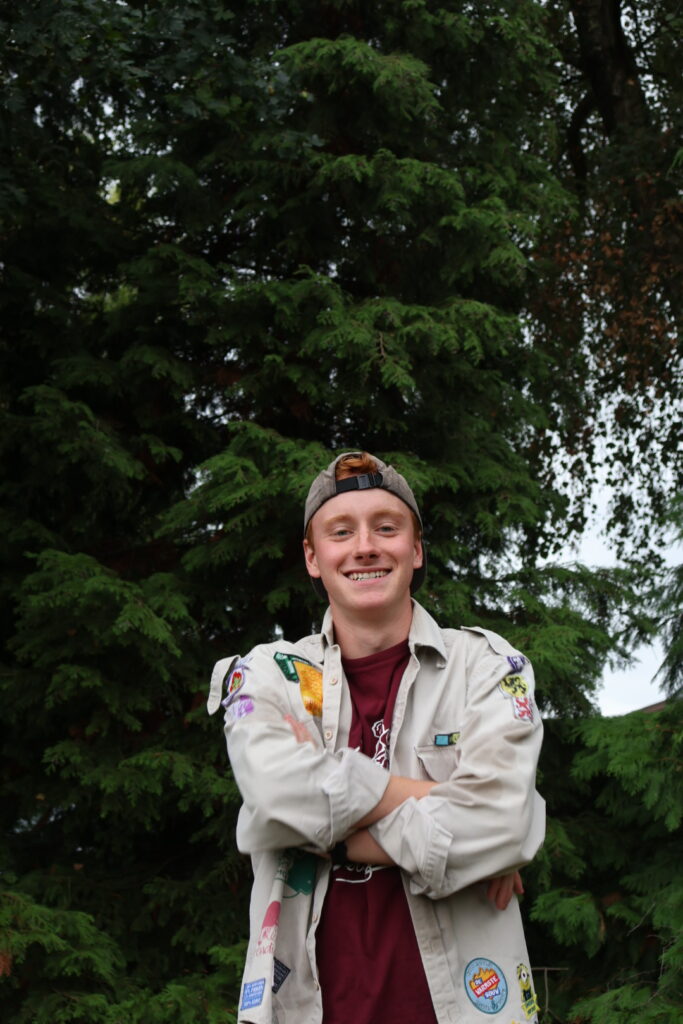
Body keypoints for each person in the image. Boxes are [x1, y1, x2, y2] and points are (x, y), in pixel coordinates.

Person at [208, 452, 545, 1024]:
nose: (365, 547)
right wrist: (447, 813)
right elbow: (274, 796)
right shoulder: (270, 675)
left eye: (386, 528)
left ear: (416, 550)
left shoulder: (487, 667)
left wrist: (325, 827)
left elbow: (502, 822)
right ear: (313, 558)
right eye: (341, 532)